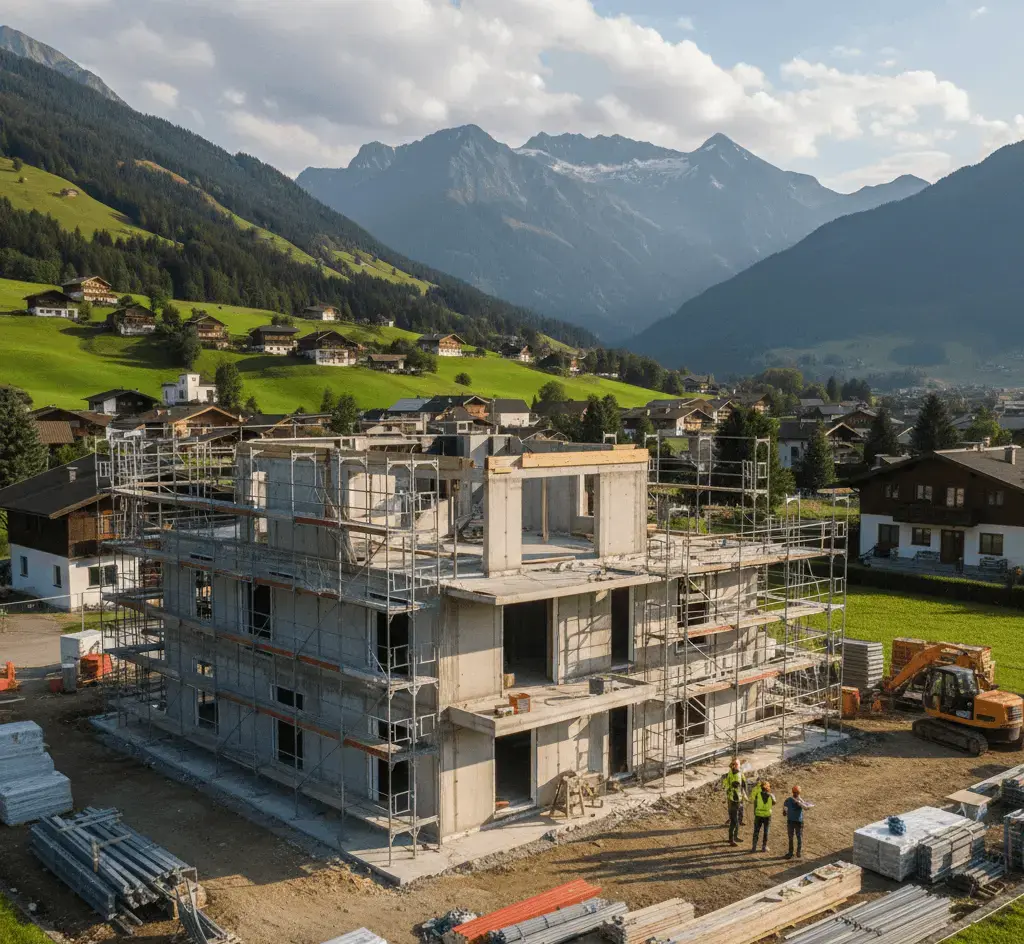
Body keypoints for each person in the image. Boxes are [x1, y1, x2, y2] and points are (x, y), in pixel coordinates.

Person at [721, 758, 748, 846]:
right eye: (737, 763)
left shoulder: (735, 772)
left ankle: (735, 837)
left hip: (736, 799)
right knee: (734, 821)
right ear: (735, 765)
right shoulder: (734, 773)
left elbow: (741, 784)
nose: (738, 765)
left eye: (738, 763)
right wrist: (732, 788)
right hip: (733, 800)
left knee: (736, 820)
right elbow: (733, 785)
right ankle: (731, 839)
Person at [783, 785, 811, 859]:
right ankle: (796, 852)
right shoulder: (789, 800)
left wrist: (799, 802)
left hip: (792, 821)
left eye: (796, 793)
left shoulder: (791, 800)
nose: (796, 794)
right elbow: (806, 808)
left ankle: (793, 852)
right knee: (797, 837)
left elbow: (784, 812)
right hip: (796, 821)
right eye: (795, 792)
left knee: (793, 837)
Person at [750, 779, 777, 853]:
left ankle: (754, 847)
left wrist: (755, 812)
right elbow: (774, 803)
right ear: (768, 788)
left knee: (756, 831)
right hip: (767, 816)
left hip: (758, 815)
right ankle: (764, 847)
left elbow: (755, 804)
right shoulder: (771, 796)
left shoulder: (757, 795)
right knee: (766, 831)